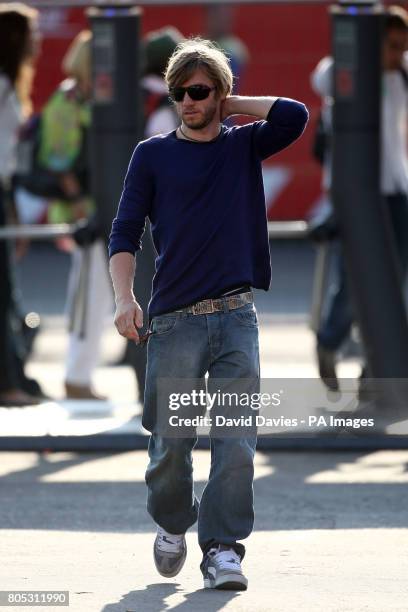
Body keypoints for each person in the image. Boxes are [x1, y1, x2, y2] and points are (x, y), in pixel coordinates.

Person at [109, 38, 308, 590]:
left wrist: (233, 105)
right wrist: (125, 299)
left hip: (238, 316)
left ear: (219, 92)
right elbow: (124, 233)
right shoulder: (152, 154)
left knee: (236, 441)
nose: (188, 102)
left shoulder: (243, 146)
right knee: (171, 444)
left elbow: (296, 115)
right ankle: (173, 522)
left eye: (198, 92)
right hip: (174, 322)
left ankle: (223, 549)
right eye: (179, 92)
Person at [312, 6, 408, 392]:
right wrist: (361, 54)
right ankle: (329, 342)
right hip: (355, 192)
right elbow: (321, 76)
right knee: (353, 282)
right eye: (392, 45)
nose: (398, 53)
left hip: (396, 187)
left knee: (396, 283)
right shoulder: (344, 75)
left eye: (404, 46)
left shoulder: (402, 74)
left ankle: (376, 370)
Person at [36, 30, 113, 400]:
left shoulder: (78, 97)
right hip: (83, 211)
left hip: (91, 208)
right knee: (89, 293)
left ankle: (80, 373)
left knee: (93, 293)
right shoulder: (68, 101)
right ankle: (77, 377)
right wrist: (79, 204)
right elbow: (60, 160)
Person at [0, 2, 43, 406]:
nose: (38, 42)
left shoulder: (9, 83)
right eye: (32, 34)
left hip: (3, 190)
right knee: (2, 291)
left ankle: (15, 378)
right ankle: (8, 385)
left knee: (8, 291)